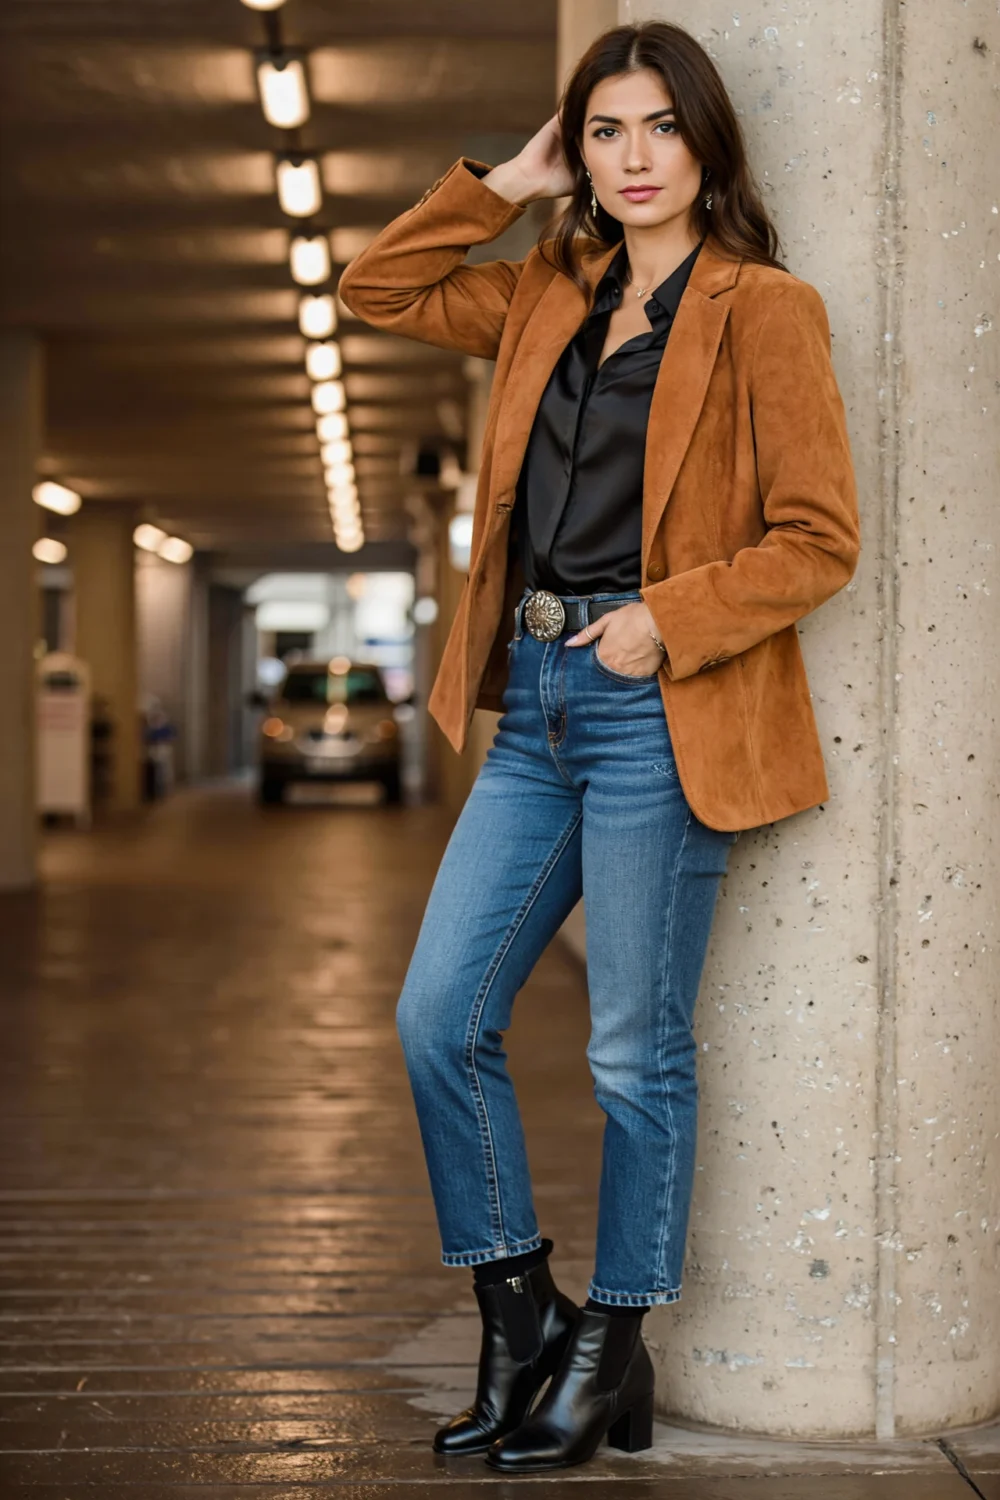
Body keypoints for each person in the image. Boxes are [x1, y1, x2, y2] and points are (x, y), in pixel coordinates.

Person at [340, 20, 859, 1475]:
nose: (635, 160)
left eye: (660, 130)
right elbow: (376, 285)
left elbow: (820, 541)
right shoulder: (542, 297)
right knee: (438, 1017)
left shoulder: (766, 310)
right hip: (534, 713)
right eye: (606, 132)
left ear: (707, 144)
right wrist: (504, 181)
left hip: (656, 709)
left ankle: (611, 1352)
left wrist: (665, 621)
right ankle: (521, 1317)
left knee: (636, 1050)